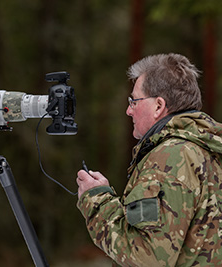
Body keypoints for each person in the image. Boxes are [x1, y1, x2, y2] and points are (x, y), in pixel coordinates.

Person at [76, 53, 222, 266]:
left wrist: (97, 201)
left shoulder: (171, 157)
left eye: (134, 101)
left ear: (158, 106)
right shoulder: (208, 148)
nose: (128, 111)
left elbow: (148, 258)